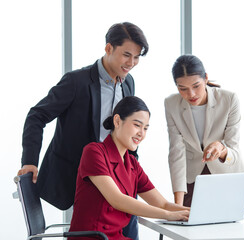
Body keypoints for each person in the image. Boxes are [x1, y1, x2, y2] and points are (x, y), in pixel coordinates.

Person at [17, 22, 149, 239]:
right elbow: (36, 116)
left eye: (136, 57)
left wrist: (132, 170)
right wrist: (29, 160)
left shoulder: (128, 83)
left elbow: (126, 131)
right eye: (127, 55)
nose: (132, 63)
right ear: (108, 49)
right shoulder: (76, 82)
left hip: (118, 177)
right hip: (82, 178)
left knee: (129, 227)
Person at [68, 96, 190, 240]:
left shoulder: (132, 164)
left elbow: (162, 203)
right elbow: (117, 199)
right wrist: (168, 216)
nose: (141, 133)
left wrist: (193, 212)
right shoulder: (94, 152)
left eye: (145, 128)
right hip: (93, 238)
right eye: (137, 125)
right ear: (117, 121)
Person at [164, 54, 244, 207]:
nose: (191, 94)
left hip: (227, 176)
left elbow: (234, 150)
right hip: (192, 180)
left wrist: (221, 150)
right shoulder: (171, 104)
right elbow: (176, 153)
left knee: (228, 229)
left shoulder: (229, 100)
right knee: (187, 227)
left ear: (206, 78)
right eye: (183, 89)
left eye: (196, 86)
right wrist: (178, 206)